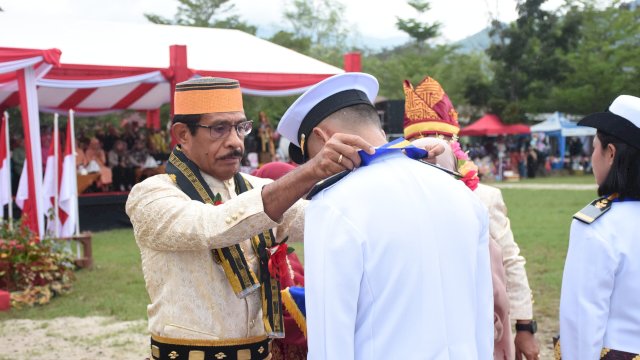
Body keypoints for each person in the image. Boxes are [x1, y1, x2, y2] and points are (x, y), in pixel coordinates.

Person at [125, 76, 375, 360]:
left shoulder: (253, 187)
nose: (235, 142)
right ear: (183, 134)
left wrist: (405, 167)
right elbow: (213, 226)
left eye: (240, 127)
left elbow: (326, 219)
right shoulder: (151, 194)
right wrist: (310, 171)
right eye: (219, 129)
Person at [277, 72, 493, 359]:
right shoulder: (459, 193)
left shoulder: (335, 206)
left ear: (323, 137)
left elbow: (331, 337)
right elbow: (481, 315)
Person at [403, 76, 539, 360]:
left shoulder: (484, 198)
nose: (430, 155)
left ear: (454, 148)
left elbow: (510, 261)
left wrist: (525, 325)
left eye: (437, 146)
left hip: (479, 324)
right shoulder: (396, 199)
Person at [559, 95, 640, 359]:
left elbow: (582, 325)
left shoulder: (598, 227)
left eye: (595, 148)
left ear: (611, 153)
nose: (592, 157)